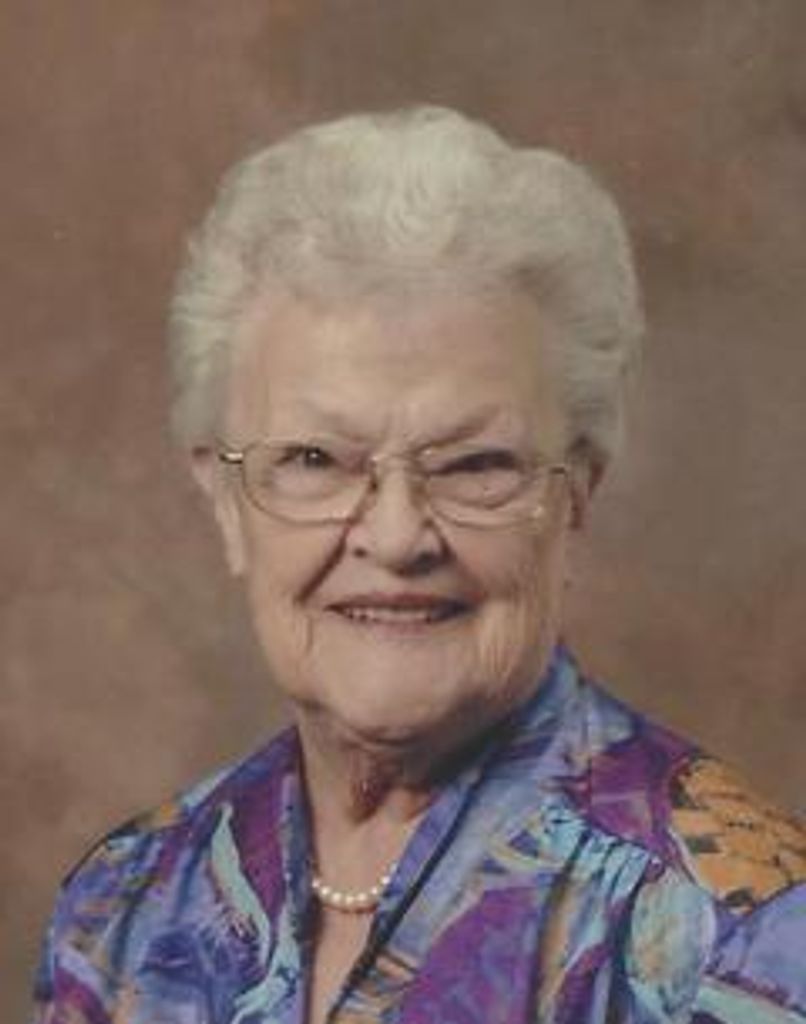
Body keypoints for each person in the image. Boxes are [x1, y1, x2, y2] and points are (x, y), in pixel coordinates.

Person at [32, 106, 806, 1024]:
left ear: (576, 496)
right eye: (315, 460)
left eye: (474, 464)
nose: (397, 538)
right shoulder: (125, 908)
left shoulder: (738, 939)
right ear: (227, 502)